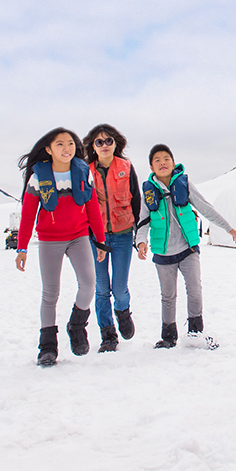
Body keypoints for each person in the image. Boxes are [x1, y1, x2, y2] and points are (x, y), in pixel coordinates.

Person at [136, 144, 236, 349]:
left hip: (188, 249)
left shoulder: (184, 183)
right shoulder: (149, 191)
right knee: (168, 296)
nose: (162, 162)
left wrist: (229, 229)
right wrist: (140, 242)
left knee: (194, 290)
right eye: (157, 160)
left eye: (166, 158)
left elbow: (205, 208)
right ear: (151, 167)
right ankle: (168, 337)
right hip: (163, 253)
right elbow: (142, 221)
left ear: (173, 163)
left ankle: (196, 333)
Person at [16, 128, 105, 366]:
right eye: (60, 144)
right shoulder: (38, 177)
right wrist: (21, 248)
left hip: (78, 237)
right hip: (49, 240)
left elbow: (93, 209)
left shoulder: (83, 172)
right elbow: (27, 215)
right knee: (50, 294)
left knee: (89, 284)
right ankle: (47, 347)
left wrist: (100, 240)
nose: (66, 148)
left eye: (70, 144)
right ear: (48, 149)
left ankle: (76, 326)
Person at [82, 124, 141, 353]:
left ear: (116, 144)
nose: (104, 145)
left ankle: (123, 311)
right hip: (95, 238)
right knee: (100, 288)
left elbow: (136, 201)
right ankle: (108, 335)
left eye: (109, 141)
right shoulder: (85, 171)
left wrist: (140, 235)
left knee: (119, 288)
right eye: (99, 142)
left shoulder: (126, 167)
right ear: (93, 146)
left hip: (123, 234)